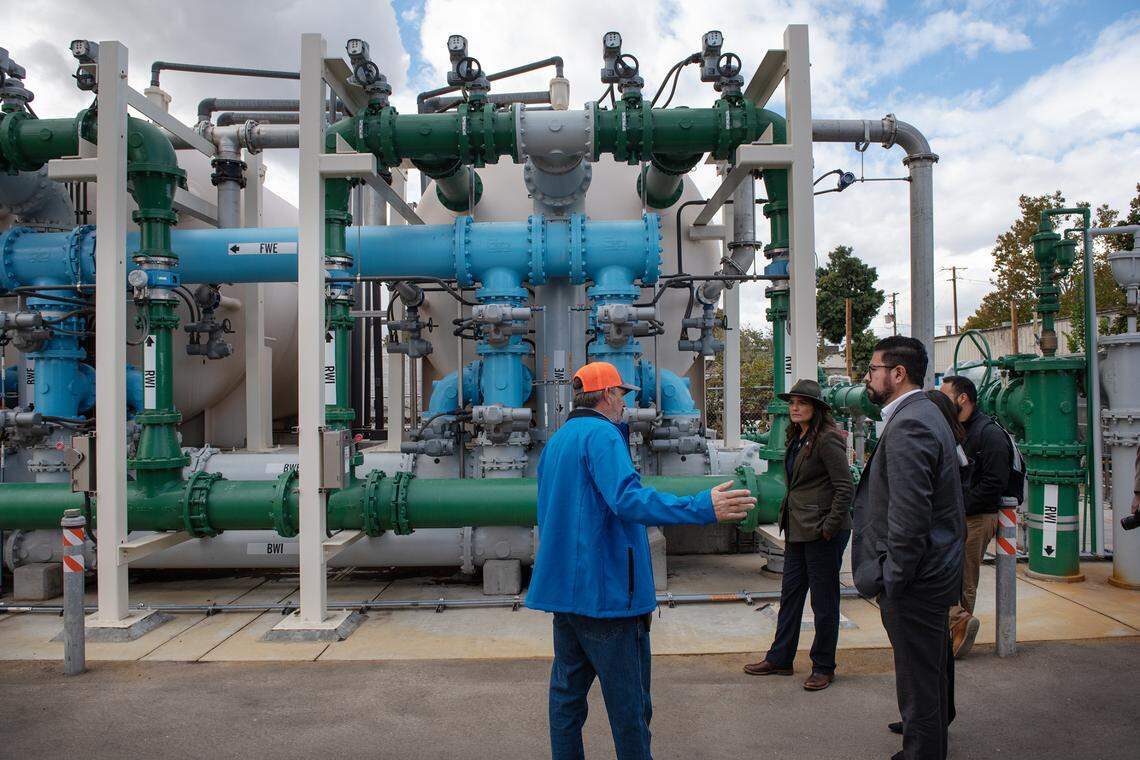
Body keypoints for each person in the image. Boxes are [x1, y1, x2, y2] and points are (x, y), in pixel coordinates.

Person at [527, 360, 757, 760]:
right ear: (609, 395)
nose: (625, 405)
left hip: (566, 597)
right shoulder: (602, 437)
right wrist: (702, 506)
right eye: (623, 396)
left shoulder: (559, 440)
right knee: (630, 708)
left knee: (566, 701)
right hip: (609, 598)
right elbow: (627, 499)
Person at [852, 336, 965, 760]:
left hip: (917, 579)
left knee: (917, 675)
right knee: (931, 667)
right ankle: (930, 734)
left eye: (873, 368)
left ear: (897, 374)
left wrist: (893, 578)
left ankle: (922, 751)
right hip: (933, 572)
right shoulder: (926, 413)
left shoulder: (911, 423)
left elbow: (909, 516)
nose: (868, 376)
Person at [743, 378, 853, 691]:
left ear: (816, 409)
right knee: (790, 596)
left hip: (821, 532)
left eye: (801, 403)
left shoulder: (828, 439)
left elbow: (845, 488)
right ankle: (780, 658)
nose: (794, 408)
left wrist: (829, 527)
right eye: (792, 403)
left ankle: (823, 666)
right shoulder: (798, 437)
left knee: (824, 601)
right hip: (798, 529)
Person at [940, 375, 1011, 658]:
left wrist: (960, 505)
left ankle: (960, 631)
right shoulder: (960, 430)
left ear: (963, 398)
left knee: (965, 578)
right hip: (960, 514)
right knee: (949, 575)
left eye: (946, 396)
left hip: (978, 516)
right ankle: (956, 625)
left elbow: (994, 483)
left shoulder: (989, 434)